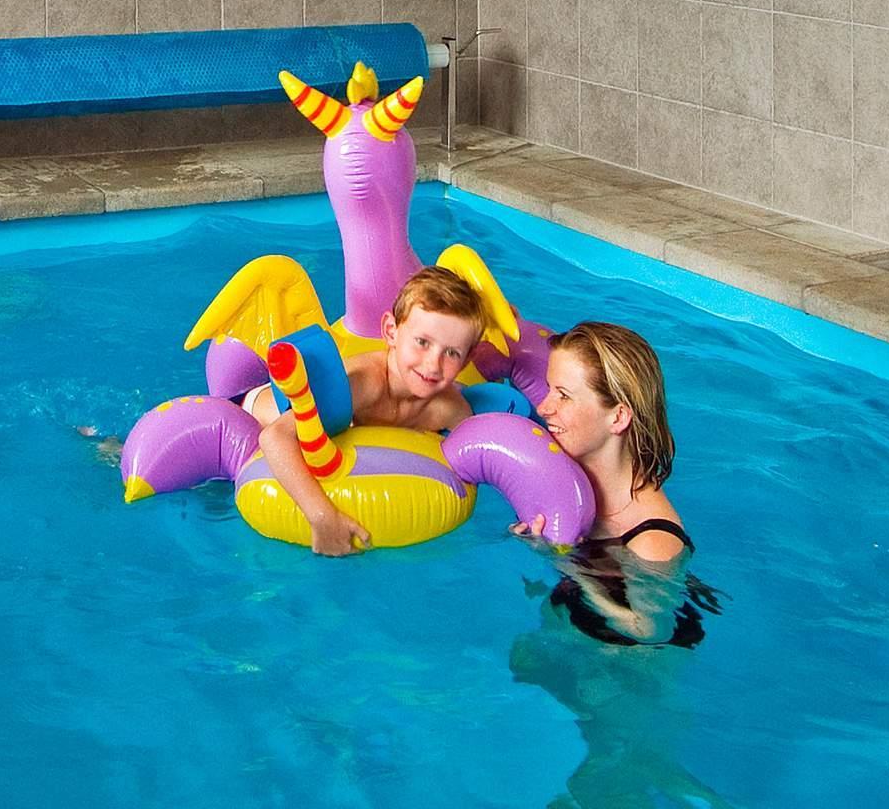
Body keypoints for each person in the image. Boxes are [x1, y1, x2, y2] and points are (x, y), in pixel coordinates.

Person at [243, 265, 484, 556]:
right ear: (391, 331)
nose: (433, 364)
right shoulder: (362, 385)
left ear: (467, 359)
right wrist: (321, 517)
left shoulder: (450, 409)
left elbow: (483, 460)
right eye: (422, 342)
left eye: (452, 353)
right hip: (257, 412)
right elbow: (274, 437)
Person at [518, 321, 719, 648]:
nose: (544, 407)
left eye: (563, 396)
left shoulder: (653, 542)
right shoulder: (572, 482)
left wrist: (563, 560)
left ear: (618, 417)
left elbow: (650, 630)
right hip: (573, 637)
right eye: (549, 389)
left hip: (625, 666)